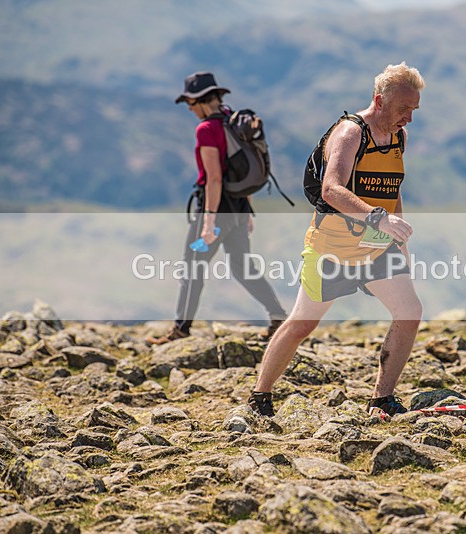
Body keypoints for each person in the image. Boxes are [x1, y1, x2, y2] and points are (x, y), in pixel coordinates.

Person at [248, 62, 425, 418]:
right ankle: (259, 395)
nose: (408, 118)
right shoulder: (350, 133)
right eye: (402, 109)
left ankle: (382, 399)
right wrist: (377, 217)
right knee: (302, 323)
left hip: (377, 248)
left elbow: (392, 189)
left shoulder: (398, 137)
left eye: (414, 110)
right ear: (379, 100)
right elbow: (331, 190)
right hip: (332, 250)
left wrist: (399, 237)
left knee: (409, 312)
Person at [147, 72, 287, 345]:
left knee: (192, 266)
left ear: (200, 100)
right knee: (242, 266)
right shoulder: (233, 121)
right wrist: (246, 211)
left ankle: (180, 330)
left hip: (215, 210)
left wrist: (208, 223)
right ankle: (278, 317)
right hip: (238, 207)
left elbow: (215, 178)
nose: (189, 109)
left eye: (190, 103)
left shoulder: (207, 129)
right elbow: (243, 171)